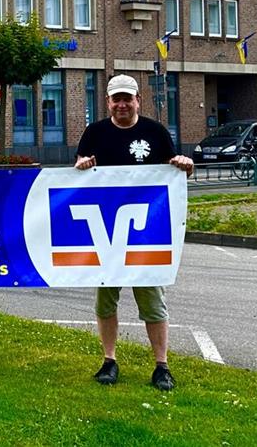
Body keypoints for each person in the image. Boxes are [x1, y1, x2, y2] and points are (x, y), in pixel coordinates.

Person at [74, 74, 194, 391]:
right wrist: (82, 165)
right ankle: (109, 360)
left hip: (145, 233)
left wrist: (183, 163)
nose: (123, 104)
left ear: (138, 99)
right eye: (117, 99)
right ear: (108, 102)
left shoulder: (154, 132)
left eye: (128, 98)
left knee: (153, 302)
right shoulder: (95, 132)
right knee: (105, 302)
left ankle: (161, 366)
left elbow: (172, 168)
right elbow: (79, 171)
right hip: (105, 235)